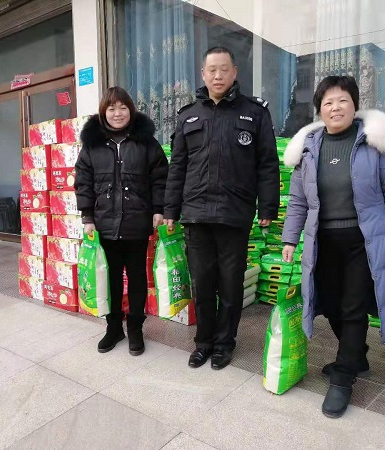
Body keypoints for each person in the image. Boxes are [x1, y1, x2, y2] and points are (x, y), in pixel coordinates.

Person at [281, 75, 385, 418]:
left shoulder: (374, 142)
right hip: (322, 242)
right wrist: (290, 238)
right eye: (328, 102)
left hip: (363, 242)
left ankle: (342, 377)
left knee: (353, 306)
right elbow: (298, 200)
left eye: (342, 100)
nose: (335, 107)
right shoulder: (309, 148)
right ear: (319, 110)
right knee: (331, 305)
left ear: (355, 105)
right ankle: (357, 356)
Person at [164, 47, 280, 370]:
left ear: (234, 72)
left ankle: (225, 343)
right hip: (196, 215)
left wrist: (267, 207)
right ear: (203, 73)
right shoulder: (188, 115)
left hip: (234, 214)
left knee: (230, 285)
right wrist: (171, 210)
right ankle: (203, 342)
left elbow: (267, 164)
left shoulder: (254, 113)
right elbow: (178, 167)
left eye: (224, 69)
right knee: (202, 284)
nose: (218, 76)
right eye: (212, 70)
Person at [75, 86, 168, 356]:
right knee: (110, 278)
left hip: (137, 221)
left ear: (131, 110)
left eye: (123, 107)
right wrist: (87, 216)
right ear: (103, 112)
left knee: (137, 277)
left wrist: (159, 209)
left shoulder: (146, 142)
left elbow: (160, 178)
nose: (118, 113)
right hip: (104, 223)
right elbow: (83, 181)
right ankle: (114, 327)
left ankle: (136, 328)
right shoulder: (92, 144)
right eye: (112, 108)